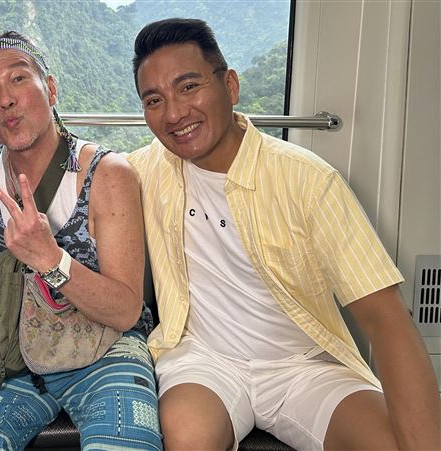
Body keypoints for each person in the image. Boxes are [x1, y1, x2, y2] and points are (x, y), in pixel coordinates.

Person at [127, 18, 440, 451]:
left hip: (305, 365)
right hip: (204, 358)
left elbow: (385, 318)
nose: (174, 113)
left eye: (189, 87)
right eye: (154, 100)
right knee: (188, 437)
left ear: (230, 86)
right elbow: (76, 170)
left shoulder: (307, 180)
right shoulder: (142, 170)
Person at [0, 31, 162, 450]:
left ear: (50, 89)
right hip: (3, 347)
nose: (5, 99)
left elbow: (127, 310)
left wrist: (51, 259)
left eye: (19, 79)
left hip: (102, 348)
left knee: (127, 442)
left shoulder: (106, 174)